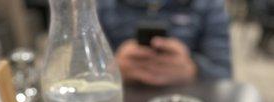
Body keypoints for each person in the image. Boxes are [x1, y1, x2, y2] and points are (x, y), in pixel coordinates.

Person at [97, 0, 232, 86]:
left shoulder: (210, 4)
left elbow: (224, 74)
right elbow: (80, 75)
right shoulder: (100, 4)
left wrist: (193, 70)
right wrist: (112, 70)